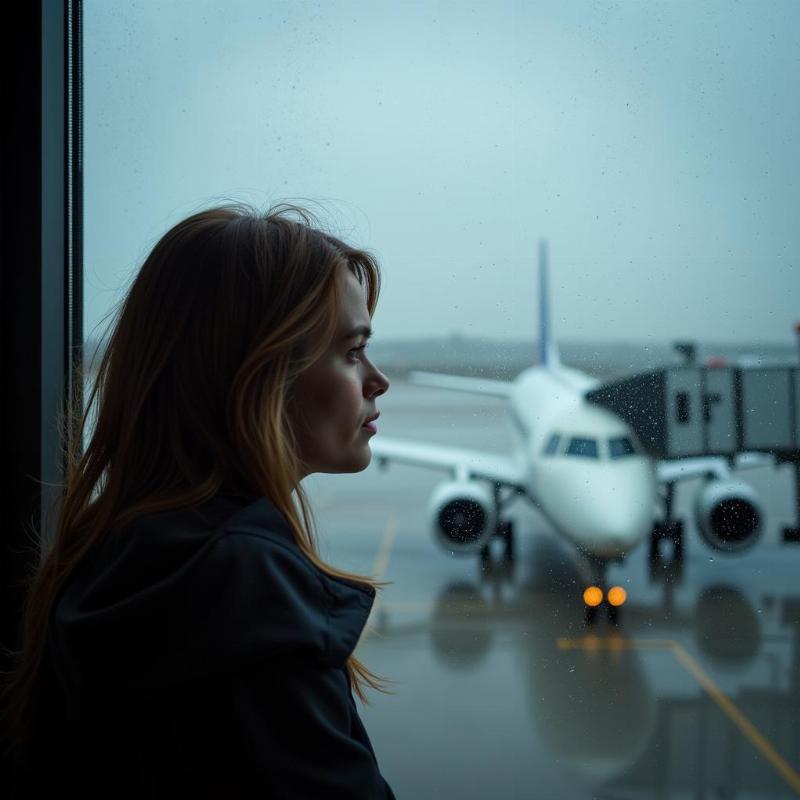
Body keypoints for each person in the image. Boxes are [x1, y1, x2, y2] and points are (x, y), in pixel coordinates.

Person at [1, 204, 395, 798]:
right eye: (350, 351)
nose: (377, 379)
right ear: (258, 375)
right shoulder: (244, 587)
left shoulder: (110, 553)